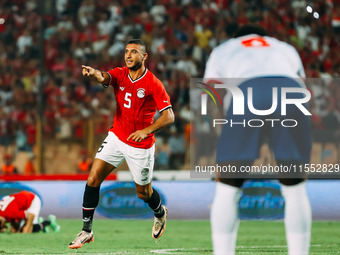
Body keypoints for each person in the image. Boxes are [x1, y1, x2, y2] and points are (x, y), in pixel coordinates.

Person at [204, 25, 312, 255]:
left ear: (236, 37)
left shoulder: (224, 49)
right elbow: (304, 87)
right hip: (291, 92)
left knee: (227, 187)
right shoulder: (285, 48)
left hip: (247, 92)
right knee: (295, 188)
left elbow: (212, 93)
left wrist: (222, 134)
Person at [69, 39, 175, 249]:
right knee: (93, 178)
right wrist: (94, 73)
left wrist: (146, 131)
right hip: (117, 136)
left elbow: (169, 116)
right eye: (126, 52)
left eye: (134, 52)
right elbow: (104, 77)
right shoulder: (120, 74)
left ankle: (160, 212)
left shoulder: (153, 83)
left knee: (143, 193)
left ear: (144, 57)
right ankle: (86, 231)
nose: (128, 55)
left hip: (140, 145)